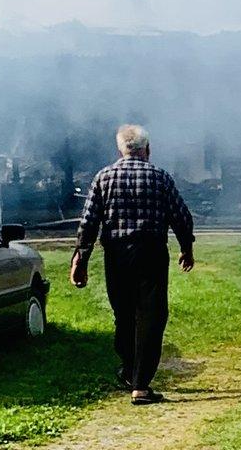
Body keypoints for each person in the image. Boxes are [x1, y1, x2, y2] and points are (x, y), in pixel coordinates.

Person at [70, 123, 195, 404]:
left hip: (116, 254)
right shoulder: (160, 177)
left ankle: (129, 370)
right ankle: (140, 384)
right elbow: (180, 216)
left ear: (120, 149)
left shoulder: (104, 177)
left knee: (123, 314)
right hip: (151, 252)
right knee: (152, 316)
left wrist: (80, 258)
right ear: (147, 149)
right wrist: (186, 248)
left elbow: (89, 222)